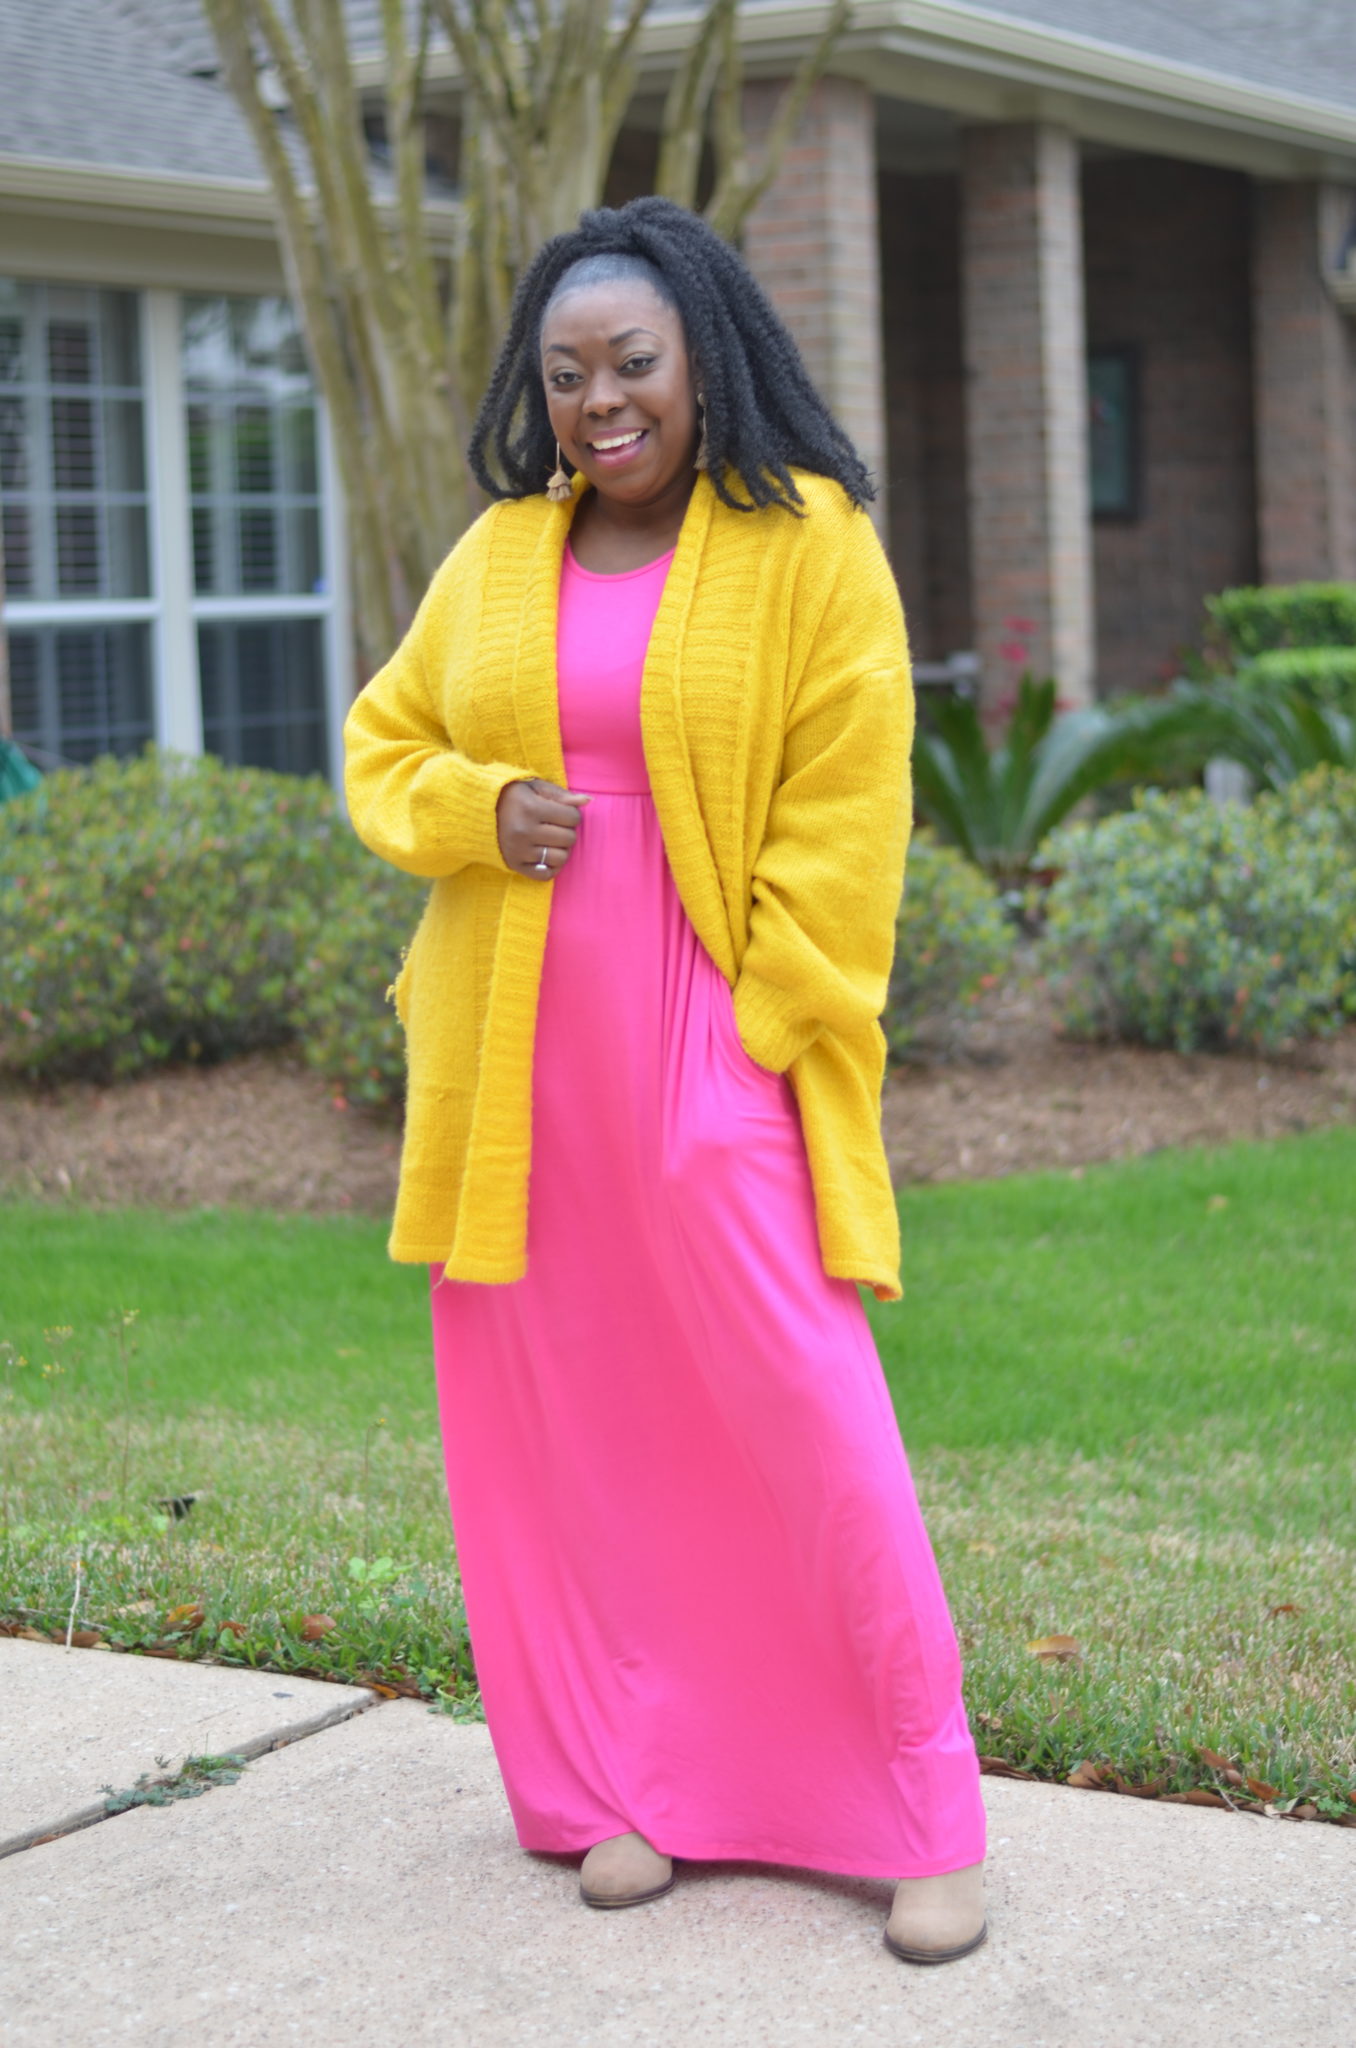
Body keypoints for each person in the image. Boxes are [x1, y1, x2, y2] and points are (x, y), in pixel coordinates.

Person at [343, 195, 988, 1964]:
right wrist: (480, 808)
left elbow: (851, 806)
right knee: (578, 1436)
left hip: (711, 1045)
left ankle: (920, 1814)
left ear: (708, 359)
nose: (599, 403)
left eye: (631, 363)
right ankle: (630, 1786)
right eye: (565, 377)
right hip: (518, 1068)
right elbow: (383, 743)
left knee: (804, 1409)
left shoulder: (807, 542)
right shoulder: (500, 555)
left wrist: (759, 1035)